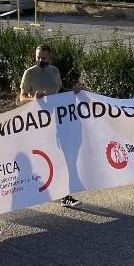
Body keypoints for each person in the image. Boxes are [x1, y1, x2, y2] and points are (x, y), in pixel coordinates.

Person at [19, 44, 85, 208]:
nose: (40, 61)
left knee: (63, 157)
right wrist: (34, 100)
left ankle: (65, 195)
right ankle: (35, 191)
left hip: (57, 121)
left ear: (50, 58)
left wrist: (74, 91)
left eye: (44, 58)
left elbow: (59, 90)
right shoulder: (30, 73)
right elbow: (21, 98)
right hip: (38, 123)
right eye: (38, 57)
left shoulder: (54, 71)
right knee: (44, 159)